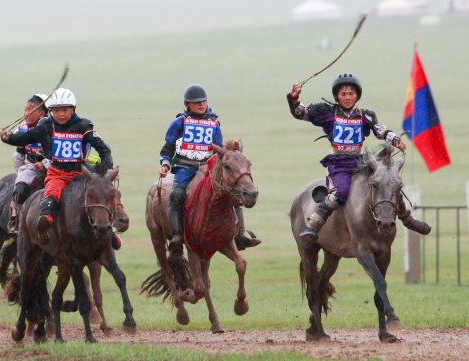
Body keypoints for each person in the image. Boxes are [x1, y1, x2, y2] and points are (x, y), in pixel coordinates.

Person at [287, 74, 430, 237]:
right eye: (343, 94)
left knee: (388, 182)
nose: (347, 97)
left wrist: (395, 139)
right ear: (336, 96)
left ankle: (407, 219)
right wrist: (294, 98)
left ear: (357, 95)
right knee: (342, 192)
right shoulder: (327, 112)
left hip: (360, 162)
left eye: (351, 94)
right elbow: (302, 113)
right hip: (339, 164)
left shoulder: (365, 115)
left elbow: (378, 129)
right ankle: (315, 221)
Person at [158, 84, 261, 256]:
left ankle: (240, 234)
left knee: (233, 192)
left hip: (208, 166)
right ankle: (177, 235)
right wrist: (165, 164)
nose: (201, 104)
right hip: (185, 166)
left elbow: (219, 149)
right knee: (177, 195)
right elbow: (168, 147)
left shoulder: (213, 123)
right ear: (187, 104)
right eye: (196, 102)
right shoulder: (179, 122)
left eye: (203, 101)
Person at [0, 88, 113, 235]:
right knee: (51, 195)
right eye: (56, 110)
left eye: (65, 110)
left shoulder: (84, 126)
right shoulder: (46, 125)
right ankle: (44, 222)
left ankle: (112, 229)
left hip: (81, 172)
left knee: (101, 194)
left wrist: (108, 169)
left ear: (73, 109)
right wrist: (8, 138)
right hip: (57, 172)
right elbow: (26, 137)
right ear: (51, 111)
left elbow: (104, 149)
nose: (60, 114)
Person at [7, 93, 49, 233]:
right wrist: (22, 172)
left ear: (42, 114)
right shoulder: (22, 129)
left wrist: (45, 164)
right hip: (30, 167)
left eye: (31, 110)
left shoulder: (51, 130)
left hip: (54, 168)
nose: (26, 113)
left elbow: (57, 153)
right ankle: (15, 220)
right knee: (19, 190)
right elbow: (19, 155)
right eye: (26, 109)